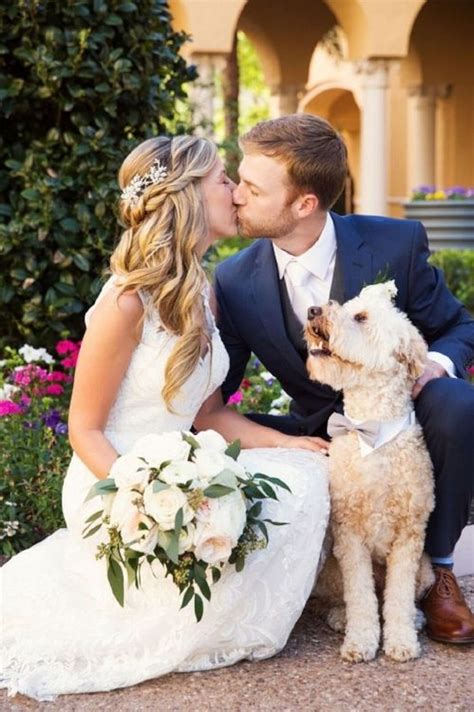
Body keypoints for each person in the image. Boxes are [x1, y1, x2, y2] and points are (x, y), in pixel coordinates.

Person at [0, 135, 330, 701]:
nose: (235, 191)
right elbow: (85, 428)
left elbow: (208, 415)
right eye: (223, 180)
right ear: (187, 197)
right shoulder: (126, 301)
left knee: (305, 478)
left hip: (187, 471)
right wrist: (143, 498)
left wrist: (284, 442)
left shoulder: (204, 291)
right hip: (116, 480)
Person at [213, 114, 474, 645]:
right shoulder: (235, 278)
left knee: (456, 402)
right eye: (238, 181)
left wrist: (434, 365)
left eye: (253, 188)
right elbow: (220, 390)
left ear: (304, 204)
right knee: (212, 436)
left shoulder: (394, 244)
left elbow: (458, 325)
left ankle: (440, 570)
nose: (236, 195)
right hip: (320, 423)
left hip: (402, 418)